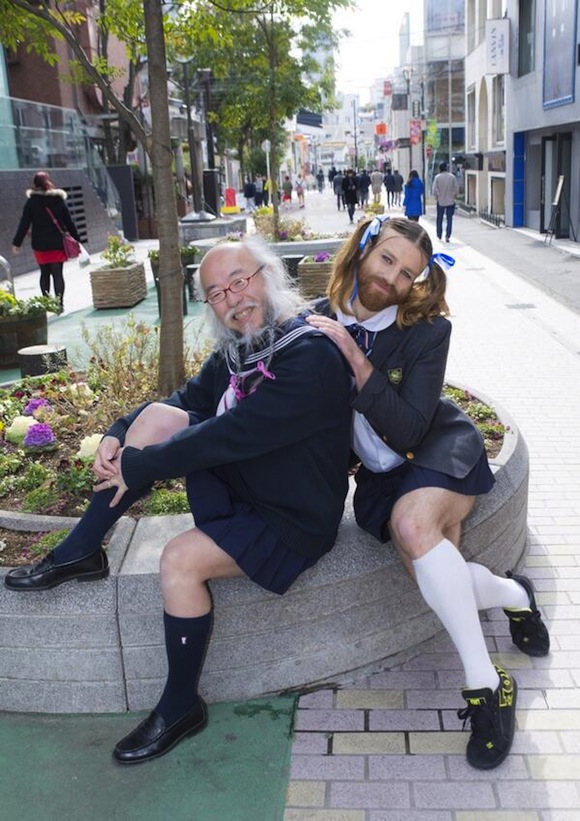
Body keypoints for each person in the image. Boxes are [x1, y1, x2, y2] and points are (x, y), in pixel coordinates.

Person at [4, 236, 352, 765]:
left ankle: (181, 704)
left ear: (268, 275)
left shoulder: (310, 355)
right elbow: (189, 400)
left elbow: (232, 434)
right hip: (254, 483)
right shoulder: (244, 346)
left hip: (292, 514)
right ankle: (83, 548)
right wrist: (119, 431)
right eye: (217, 293)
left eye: (240, 281)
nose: (233, 299)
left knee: (178, 561)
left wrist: (142, 464)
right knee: (155, 419)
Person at [306, 215, 549, 771]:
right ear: (363, 250)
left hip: (437, 449)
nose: (392, 279)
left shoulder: (426, 330)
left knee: (413, 527)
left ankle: (486, 688)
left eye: (407, 273)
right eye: (387, 260)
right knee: (438, 587)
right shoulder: (314, 322)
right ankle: (514, 595)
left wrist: (356, 359)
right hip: (380, 478)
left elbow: (411, 430)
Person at [12, 171, 81, 313]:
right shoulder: (58, 200)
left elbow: (24, 224)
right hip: (57, 244)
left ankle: (46, 304)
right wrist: (77, 239)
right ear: (49, 182)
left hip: (40, 245)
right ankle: (59, 305)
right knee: (58, 274)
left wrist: (16, 243)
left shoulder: (31, 202)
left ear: (34, 184)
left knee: (44, 273)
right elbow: (69, 222)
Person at [432, 161, 459, 242]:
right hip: (450, 201)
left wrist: (437, 196)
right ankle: (447, 235)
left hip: (441, 201)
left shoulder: (437, 177)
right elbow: (457, 189)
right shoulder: (452, 177)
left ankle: (439, 234)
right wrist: (454, 195)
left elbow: (434, 191)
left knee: (439, 218)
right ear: (446, 168)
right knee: (449, 219)